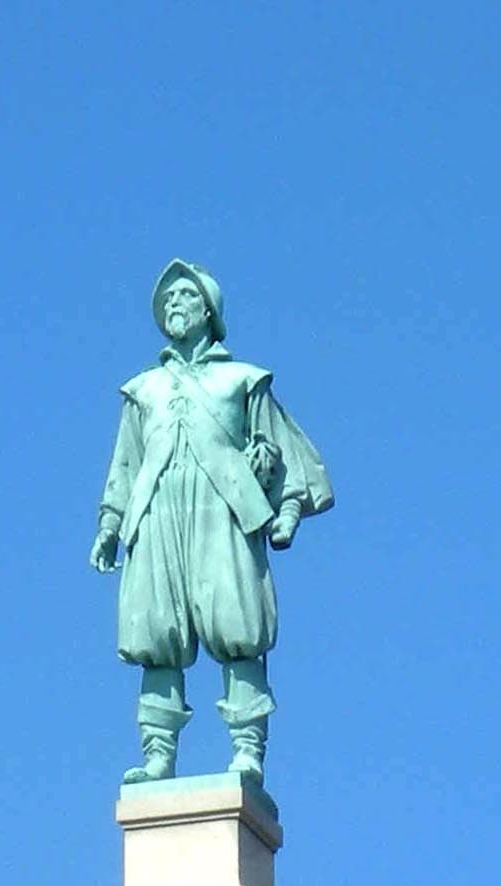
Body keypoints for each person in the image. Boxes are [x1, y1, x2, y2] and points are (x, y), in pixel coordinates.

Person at [91, 260, 333, 791]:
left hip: (221, 513)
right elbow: (125, 464)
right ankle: (158, 755)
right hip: (158, 515)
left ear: (208, 310)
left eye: (184, 295)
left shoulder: (241, 381)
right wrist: (110, 523)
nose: (173, 304)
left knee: (238, 628)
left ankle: (247, 750)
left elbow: (282, 453)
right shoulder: (144, 390)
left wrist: (285, 511)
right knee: (155, 634)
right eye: (167, 298)